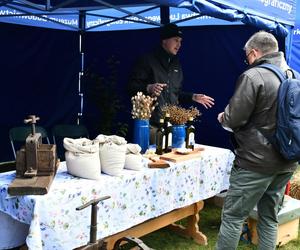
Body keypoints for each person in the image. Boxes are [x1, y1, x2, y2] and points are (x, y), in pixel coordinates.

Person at [216, 31, 298, 250]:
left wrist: (223, 117)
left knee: (233, 217)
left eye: (246, 56)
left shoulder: (253, 76)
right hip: (286, 161)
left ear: (254, 52)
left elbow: (234, 119)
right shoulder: (294, 75)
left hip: (255, 162)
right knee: (269, 218)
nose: (247, 61)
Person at [127, 23, 214, 141]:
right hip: (152, 126)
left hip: (173, 125)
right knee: (155, 159)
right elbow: (131, 87)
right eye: (176, 40)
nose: (179, 45)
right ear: (164, 40)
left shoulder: (176, 64)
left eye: (181, 41)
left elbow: (175, 93)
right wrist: (149, 88)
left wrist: (193, 97)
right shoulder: (147, 60)